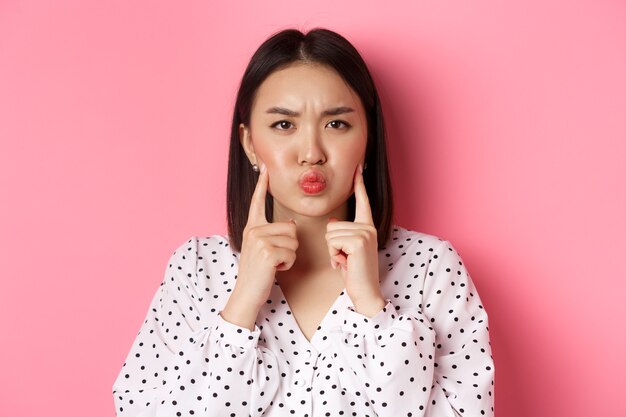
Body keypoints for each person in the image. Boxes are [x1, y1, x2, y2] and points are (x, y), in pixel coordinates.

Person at [112, 28, 495, 417]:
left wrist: (373, 309)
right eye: (284, 125)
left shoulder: (430, 267)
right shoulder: (197, 268)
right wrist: (241, 306)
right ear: (248, 143)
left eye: (337, 124)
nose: (311, 153)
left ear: (369, 138)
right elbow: (139, 408)